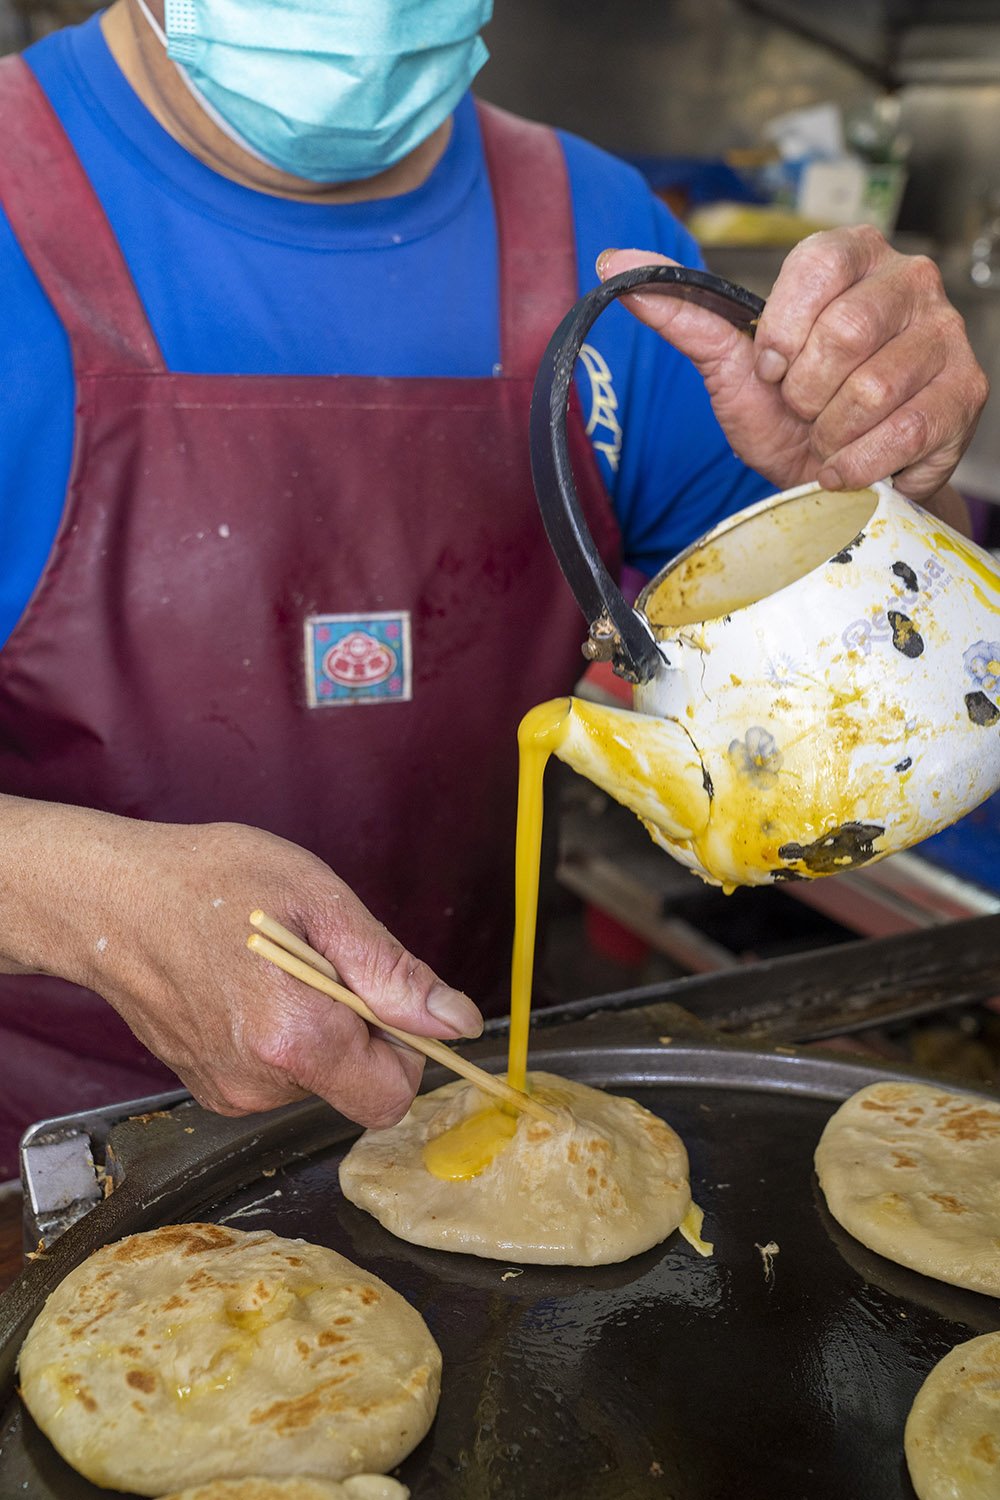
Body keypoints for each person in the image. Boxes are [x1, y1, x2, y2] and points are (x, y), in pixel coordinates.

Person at [0, 0, 987, 1182]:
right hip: (47, 1165)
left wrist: (872, 478)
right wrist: (80, 899)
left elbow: (869, 735)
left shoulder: (597, 230)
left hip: (477, 1113)